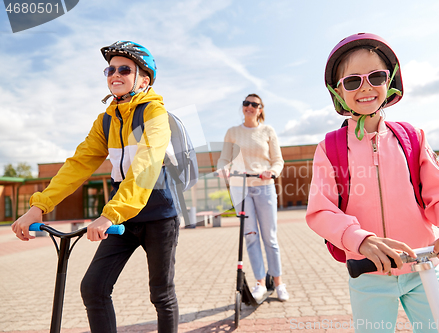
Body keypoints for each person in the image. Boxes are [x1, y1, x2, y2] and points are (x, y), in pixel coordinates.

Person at [306, 33, 439, 332]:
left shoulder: (412, 138)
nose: (366, 87)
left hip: (424, 267)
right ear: (338, 92)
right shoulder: (330, 147)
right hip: (369, 272)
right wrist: (360, 240)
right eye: (352, 81)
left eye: (376, 76)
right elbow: (321, 212)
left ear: (391, 81)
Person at [11, 41, 180, 333]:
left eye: (124, 69)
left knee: (161, 294)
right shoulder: (105, 121)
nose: (115, 73)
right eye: (110, 69)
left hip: (157, 215)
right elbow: (78, 165)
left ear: (144, 79)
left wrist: (109, 214)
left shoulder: (155, 114)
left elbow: (146, 166)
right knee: (93, 288)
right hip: (121, 218)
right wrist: (38, 207)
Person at [217, 94, 289, 301]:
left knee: (270, 237)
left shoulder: (267, 131)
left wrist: (272, 172)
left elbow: (278, 160)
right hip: (240, 187)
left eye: (254, 104)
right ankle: (259, 283)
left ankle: (278, 282)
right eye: (246, 103)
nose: (249, 107)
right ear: (243, 107)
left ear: (260, 109)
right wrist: (223, 168)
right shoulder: (232, 132)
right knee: (250, 236)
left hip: (263, 186)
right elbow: (224, 157)